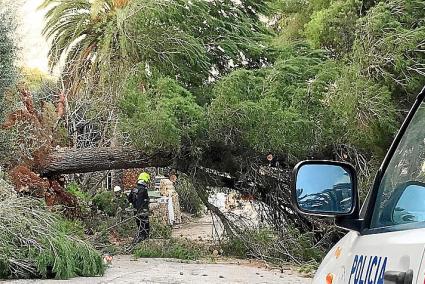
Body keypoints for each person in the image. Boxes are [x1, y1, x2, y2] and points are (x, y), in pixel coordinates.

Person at [128, 172, 150, 243]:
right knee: (145, 228)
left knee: (139, 226)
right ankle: (144, 241)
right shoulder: (144, 190)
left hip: (136, 212)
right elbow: (147, 200)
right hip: (143, 212)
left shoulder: (134, 189)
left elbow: (129, 199)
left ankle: (139, 240)